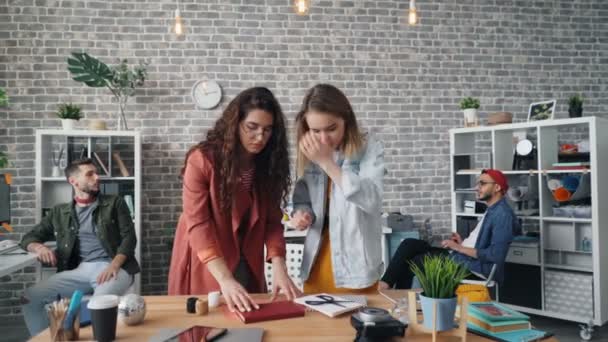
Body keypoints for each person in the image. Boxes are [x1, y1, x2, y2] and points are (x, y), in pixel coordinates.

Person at [168, 87, 300, 312]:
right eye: (252, 127)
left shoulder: (267, 165)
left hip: (247, 254)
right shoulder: (201, 161)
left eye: (268, 130)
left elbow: (271, 221)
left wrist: (279, 266)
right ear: (235, 123)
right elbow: (199, 224)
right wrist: (225, 279)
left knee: (249, 316)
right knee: (209, 319)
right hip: (209, 255)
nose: (260, 137)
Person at [20, 158, 139, 336]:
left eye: (96, 172)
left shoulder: (115, 203)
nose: (97, 177)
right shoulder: (60, 212)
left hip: (115, 267)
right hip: (80, 271)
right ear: (73, 181)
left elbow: (129, 238)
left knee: (98, 307)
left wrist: (113, 265)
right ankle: (48, 339)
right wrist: (39, 248)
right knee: (29, 297)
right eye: (90, 174)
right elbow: (29, 237)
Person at [290, 84, 385, 294]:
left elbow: (373, 200)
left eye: (331, 129)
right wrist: (300, 213)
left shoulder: (369, 147)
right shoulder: (309, 151)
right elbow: (301, 197)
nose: (323, 139)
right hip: (317, 263)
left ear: (346, 120)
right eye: (315, 131)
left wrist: (327, 163)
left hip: (356, 269)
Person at [378, 169, 519, 290]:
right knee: (410, 244)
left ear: (497, 187)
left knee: (415, 261)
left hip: (475, 269)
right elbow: (482, 242)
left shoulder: (503, 215)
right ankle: (386, 284)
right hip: (464, 258)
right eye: (478, 183)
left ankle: (399, 298)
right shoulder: (492, 210)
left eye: (482, 183)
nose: (477, 187)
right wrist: (462, 243)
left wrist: (458, 248)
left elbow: (496, 255)